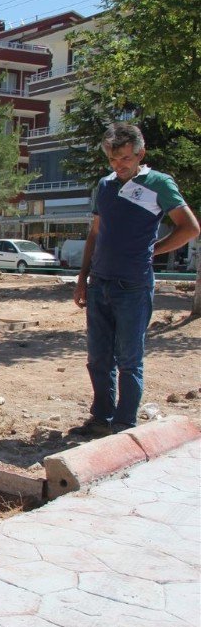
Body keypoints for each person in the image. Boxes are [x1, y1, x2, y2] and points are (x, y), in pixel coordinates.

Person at [73, 123, 199, 436]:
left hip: (133, 285)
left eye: (126, 158)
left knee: (129, 358)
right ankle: (101, 416)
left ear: (140, 153)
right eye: (114, 160)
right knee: (98, 357)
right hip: (100, 282)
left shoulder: (159, 183)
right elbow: (95, 234)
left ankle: (124, 424)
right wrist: (82, 278)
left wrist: (153, 250)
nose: (120, 165)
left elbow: (190, 228)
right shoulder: (105, 185)